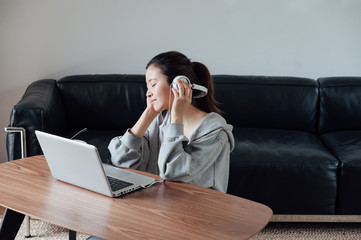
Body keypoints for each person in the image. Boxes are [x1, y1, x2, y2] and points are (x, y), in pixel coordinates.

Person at [108, 51, 234, 192]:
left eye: (153, 84)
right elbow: (122, 161)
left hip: (197, 210)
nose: (148, 93)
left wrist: (176, 117)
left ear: (178, 84)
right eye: (147, 86)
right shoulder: (160, 120)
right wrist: (148, 114)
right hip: (159, 203)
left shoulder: (214, 129)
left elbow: (172, 172)